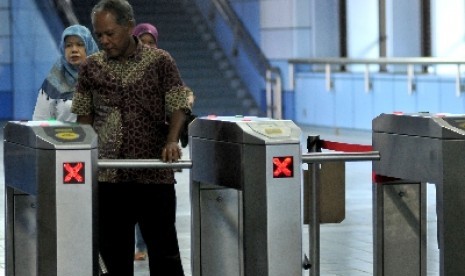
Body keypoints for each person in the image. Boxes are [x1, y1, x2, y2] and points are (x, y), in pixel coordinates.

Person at [71, 0, 192, 275]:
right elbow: (84, 117)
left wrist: (172, 140)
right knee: (113, 257)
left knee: (165, 254)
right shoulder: (91, 67)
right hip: (108, 178)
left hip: (153, 175)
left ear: (129, 26)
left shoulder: (160, 61)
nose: (104, 41)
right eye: (98, 35)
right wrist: (83, 156)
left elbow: (178, 104)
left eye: (110, 33)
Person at [32, 25, 99, 121]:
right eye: (68, 45)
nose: (74, 50)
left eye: (80, 44)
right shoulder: (54, 80)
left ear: (89, 47)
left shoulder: (105, 77)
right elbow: (40, 121)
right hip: (63, 135)